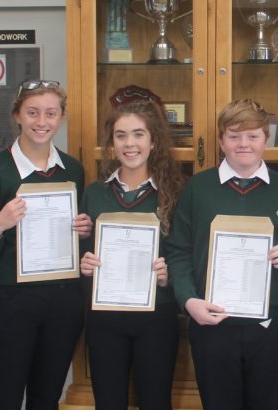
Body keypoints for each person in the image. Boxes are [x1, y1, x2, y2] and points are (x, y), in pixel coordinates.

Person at [166, 98, 278, 409]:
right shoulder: (198, 188)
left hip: (272, 322)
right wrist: (189, 301)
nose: (244, 144)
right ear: (220, 141)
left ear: (266, 139)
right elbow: (178, 251)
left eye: (253, 135)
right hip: (211, 320)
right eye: (234, 136)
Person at [0, 80, 91, 409]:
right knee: (5, 398)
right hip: (11, 300)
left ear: (61, 117)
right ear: (17, 116)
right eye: (32, 112)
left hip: (63, 299)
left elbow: (79, 241)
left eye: (51, 113)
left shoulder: (73, 170)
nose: (42, 121)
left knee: (47, 398)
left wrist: (84, 230)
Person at [78, 100, 182, 409]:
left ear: (153, 141)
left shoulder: (176, 193)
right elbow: (82, 251)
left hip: (157, 314)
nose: (130, 144)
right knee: (108, 402)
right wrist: (85, 263)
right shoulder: (94, 193)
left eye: (138, 134)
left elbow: (185, 254)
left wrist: (168, 275)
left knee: (156, 401)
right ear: (112, 143)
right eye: (121, 135)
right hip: (105, 316)